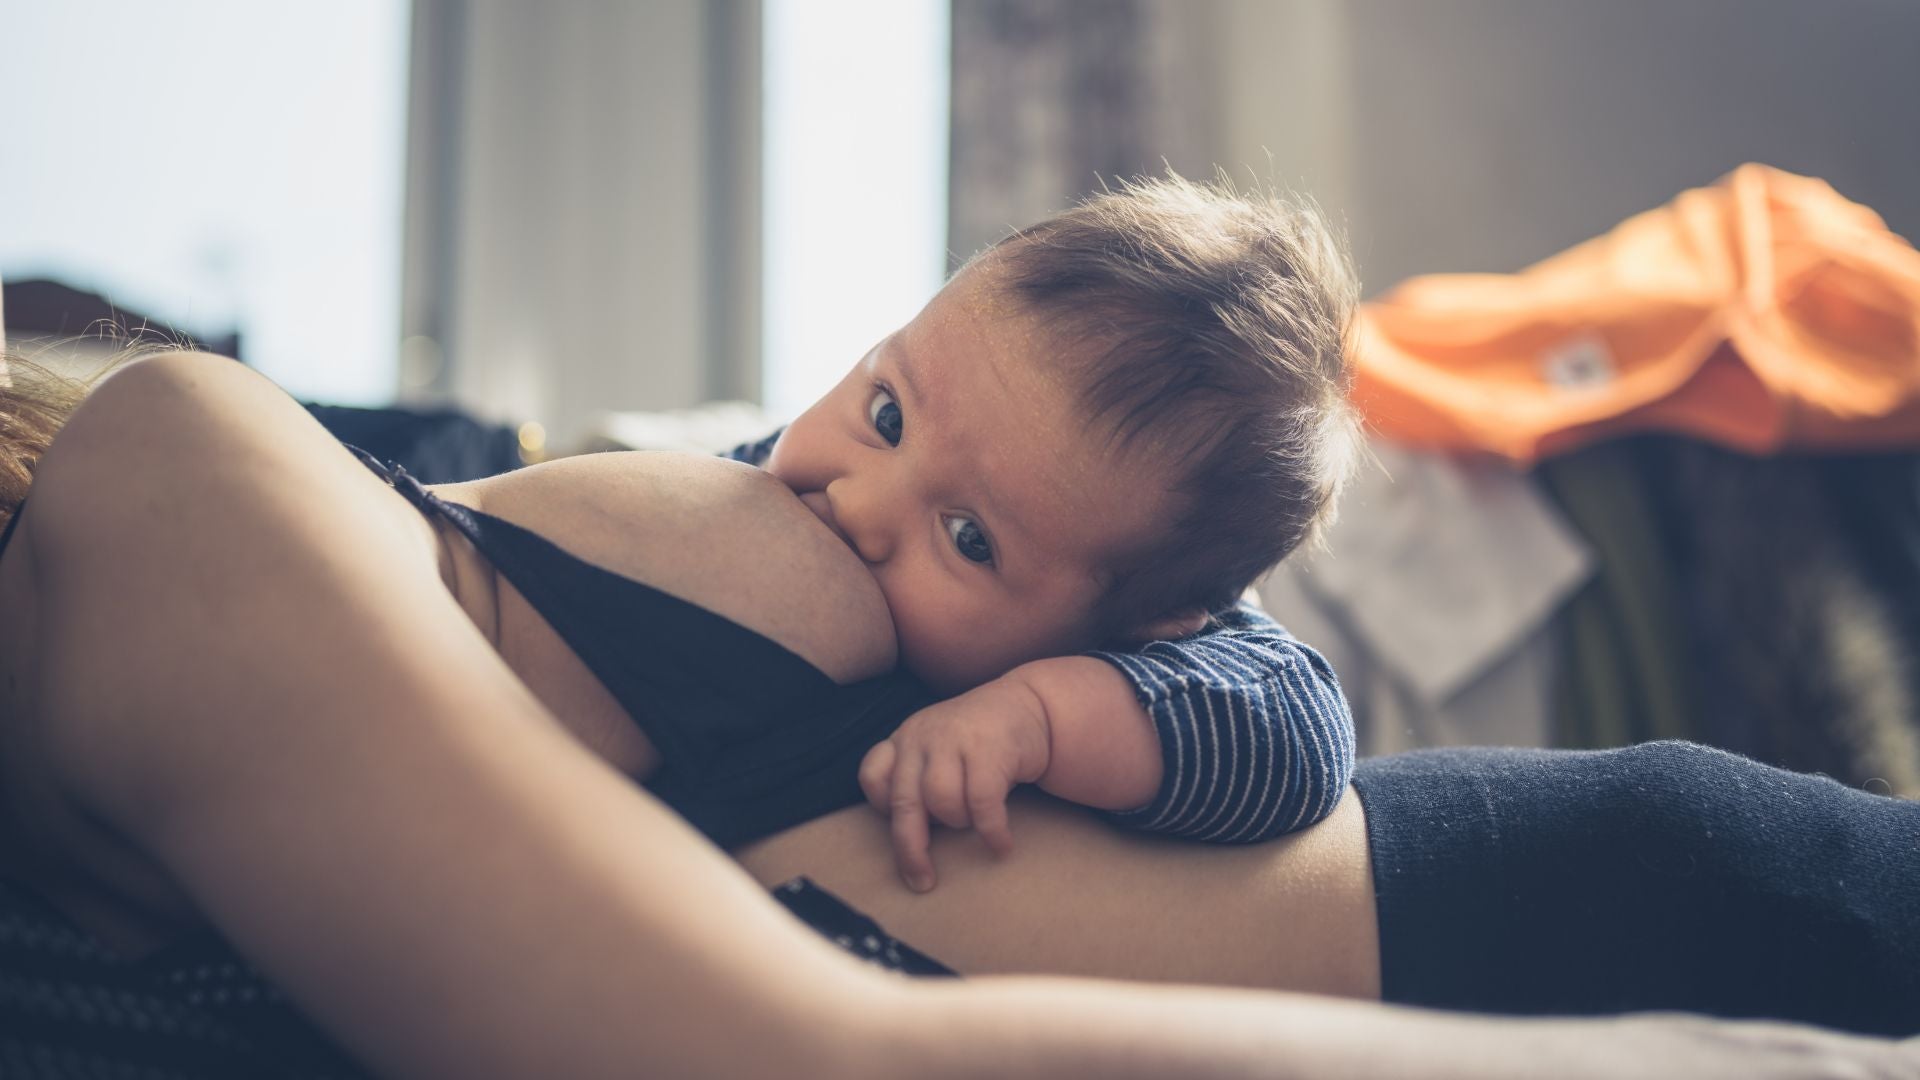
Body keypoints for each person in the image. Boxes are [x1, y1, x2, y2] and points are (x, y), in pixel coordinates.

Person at [2, 350, 1916, 1079]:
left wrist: (1732, 1069)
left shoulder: (160, 505)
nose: (856, 490)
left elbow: (793, 1055)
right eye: (888, 414)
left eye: (972, 520)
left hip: (1555, 939)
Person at [736, 174, 1365, 890]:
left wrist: (1037, 718)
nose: (860, 506)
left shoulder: (1173, 659)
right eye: (888, 417)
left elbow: (1301, 729)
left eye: (970, 538)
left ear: (1141, 627)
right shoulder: (764, 480)